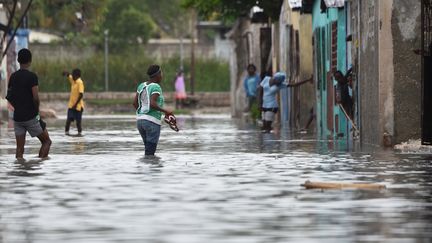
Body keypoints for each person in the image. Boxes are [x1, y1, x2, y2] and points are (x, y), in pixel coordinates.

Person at [6, 48, 51, 159]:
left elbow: (9, 96)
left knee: (19, 149)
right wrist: (37, 112)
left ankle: (20, 168)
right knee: (47, 142)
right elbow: (35, 98)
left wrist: (18, 107)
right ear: (30, 61)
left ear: (18, 60)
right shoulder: (32, 77)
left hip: (18, 117)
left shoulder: (13, 76)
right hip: (31, 117)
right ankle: (38, 164)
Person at [133, 65, 173, 156]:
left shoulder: (141, 86)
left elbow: (135, 103)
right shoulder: (156, 87)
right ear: (158, 74)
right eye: (161, 73)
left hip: (140, 122)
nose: (162, 76)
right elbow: (152, 104)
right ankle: (151, 170)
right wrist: (166, 111)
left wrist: (143, 114)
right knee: (150, 153)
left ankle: (145, 169)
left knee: (148, 150)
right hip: (152, 123)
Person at [62, 68, 85, 136]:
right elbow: (69, 75)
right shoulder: (73, 81)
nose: (72, 76)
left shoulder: (80, 82)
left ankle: (79, 135)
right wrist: (66, 73)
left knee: (78, 123)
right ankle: (66, 135)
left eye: (73, 75)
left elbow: (81, 95)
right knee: (68, 121)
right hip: (71, 106)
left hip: (78, 106)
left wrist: (75, 104)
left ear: (77, 75)